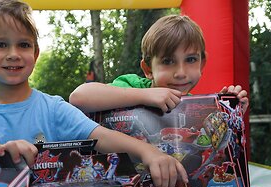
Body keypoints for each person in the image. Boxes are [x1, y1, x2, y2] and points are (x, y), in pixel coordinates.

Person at [0, 0, 187, 187]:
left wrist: (150, 152)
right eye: (0, 44)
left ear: (35, 53)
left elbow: (102, 137)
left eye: (23, 44)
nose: (13, 54)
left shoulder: (54, 108)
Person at [69, 14, 249, 114]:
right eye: (168, 61)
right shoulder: (133, 86)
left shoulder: (195, 107)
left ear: (202, 64)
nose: (180, 72)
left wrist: (230, 113)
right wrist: (145, 96)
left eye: (191, 60)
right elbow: (79, 97)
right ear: (148, 69)